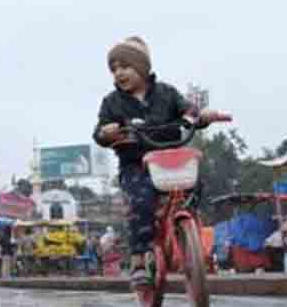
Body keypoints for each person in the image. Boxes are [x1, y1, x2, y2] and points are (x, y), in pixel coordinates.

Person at [93, 36, 226, 289]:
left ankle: (186, 232)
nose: (119, 73)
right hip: (136, 165)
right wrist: (106, 132)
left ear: (142, 68)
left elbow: (189, 112)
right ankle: (138, 261)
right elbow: (99, 132)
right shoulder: (112, 102)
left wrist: (202, 117)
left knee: (195, 184)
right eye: (114, 69)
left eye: (125, 66)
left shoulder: (167, 93)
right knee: (141, 201)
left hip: (171, 160)